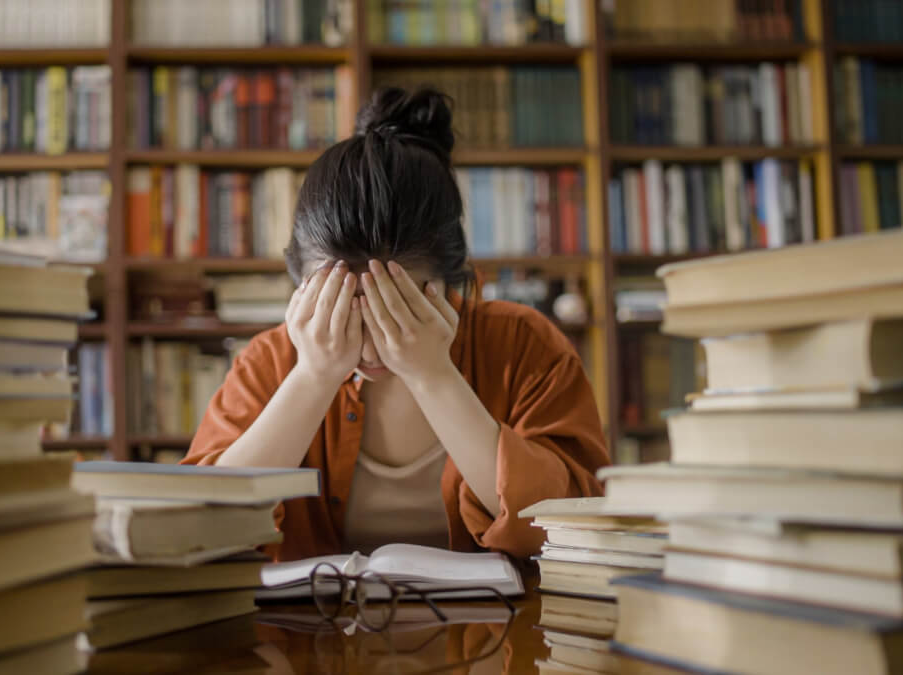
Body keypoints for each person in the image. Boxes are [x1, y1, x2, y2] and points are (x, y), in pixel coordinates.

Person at [182, 86, 609, 561]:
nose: (371, 347)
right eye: (343, 306)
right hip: (311, 631)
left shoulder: (522, 345)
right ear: (300, 286)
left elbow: (569, 528)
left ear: (451, 282)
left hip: (500, 633)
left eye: (399, 306)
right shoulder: (271, 360)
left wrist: (433, 374)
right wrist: (313, 376)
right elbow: (203, 533)